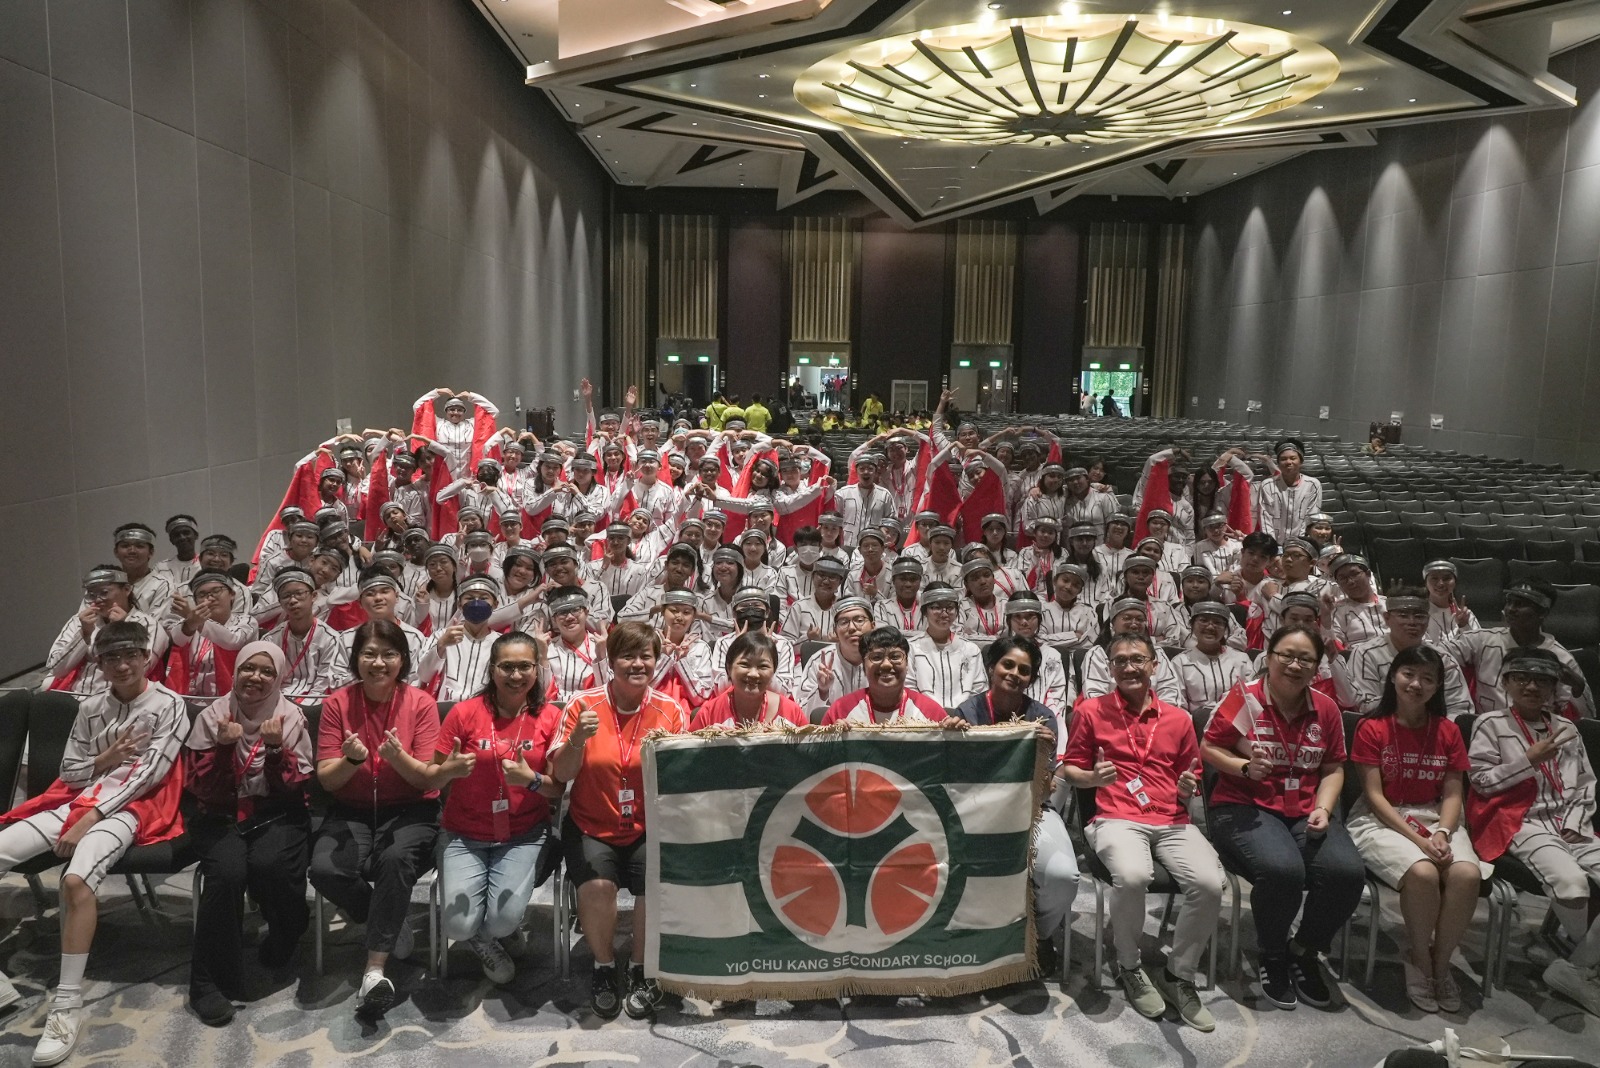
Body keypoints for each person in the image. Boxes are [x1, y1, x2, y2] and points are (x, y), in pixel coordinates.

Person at [0, 622, 187, 1066]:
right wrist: (104, 761)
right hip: (75, 801)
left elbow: (151, 773)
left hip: (129, 809)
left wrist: (94, 816)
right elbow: (68, 772)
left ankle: (66, 1005)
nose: (121, 665)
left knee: (76, 880)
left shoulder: (168, 703)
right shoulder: (91, 706)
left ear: (147, 656)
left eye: (130, 655)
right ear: (98, 663)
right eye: (110, 658)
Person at [1061, 632, 1225, 1032]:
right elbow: (1069, 768)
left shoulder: (1179, 719)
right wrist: (1091, 776)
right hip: (1115, 816)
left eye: (1138, 660)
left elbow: (1192, 772)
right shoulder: (1092, 712)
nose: (1129, 667)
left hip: (1171, 820)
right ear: (1110, 669)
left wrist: (1189, 785)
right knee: (1133, 876)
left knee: (1209, 883)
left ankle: (1178, 974)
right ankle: (1129, 965)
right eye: (1120, 661)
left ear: (1154, 665)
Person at [1202, 625, 1365, 1010]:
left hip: (1305, 808)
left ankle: (1303, 950)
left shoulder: (1325, 709)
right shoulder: (1245, 700)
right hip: (1243, 805)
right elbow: (1209, 747)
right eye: (1286, 655)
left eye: (1305, 659)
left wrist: (1324, 809)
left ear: (1315, 666)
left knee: (1346, 873)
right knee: (1282, 870)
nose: (1295, 665)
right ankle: (1272, 952)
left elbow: (1333, 769)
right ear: (1269, 658)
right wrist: (1243, 767)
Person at [548, 622, 689, 1019]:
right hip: (592, 823)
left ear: (656, 661)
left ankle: (641, 968)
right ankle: (605, 966)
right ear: (611, 661)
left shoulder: (671, 710)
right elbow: (560, 774)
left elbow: (680, 777)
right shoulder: (582, 704)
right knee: (596, 886)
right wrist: (577, 739)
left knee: (651, 887)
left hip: (648, 826)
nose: (637, 663)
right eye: (628, 655)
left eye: (646, 655)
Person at [310, 620, 442, 1018]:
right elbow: (328, 780)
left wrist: (397, 758)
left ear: (402, 660)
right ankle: (389, 913)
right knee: (325, 870)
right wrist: (352, 760)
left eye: (388, 654)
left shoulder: (421, 703)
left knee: (395, 859)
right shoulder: (337, 703)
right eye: (369, 654)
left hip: (411, 807)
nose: (378, 662)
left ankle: (374, 971)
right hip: (350, 808)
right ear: (355, 660)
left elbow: (426, 778)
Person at [1347, 646, 1486, 1014]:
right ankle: (1420, 960)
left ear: (1438, 685)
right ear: (1393, 676)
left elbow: (1455, 792)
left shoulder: (1447, 730)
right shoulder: (1372, 726)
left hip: (1435, 816)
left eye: (1427, 678)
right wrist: (1420, 841)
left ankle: (1441, 965)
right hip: (1382, 818)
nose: (1416, 684)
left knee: (1467, 875)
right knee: (1423, 872)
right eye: (1409, 673)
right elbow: (1375, 797)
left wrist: (1441, 831)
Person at [182, 641, 314, 1025]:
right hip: (220, 815)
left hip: (276, 814)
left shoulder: (291, 718)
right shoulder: (212, 716)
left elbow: (295, 789)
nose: (255, 677)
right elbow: (201, 789)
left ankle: (287, 931)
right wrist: (224, 749)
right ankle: (206, 983)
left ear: (278, 677)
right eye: (248, 669)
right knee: (226, 874)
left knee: (270, 864)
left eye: (266, 671)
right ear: (235, 671)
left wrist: (274, 752)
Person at [1468, 647, 1600, 1015]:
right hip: (1522, 821)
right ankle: (1584, 964)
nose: (1531, 686)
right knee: (1571, 885)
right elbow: (1480, 782)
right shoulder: (1490, 724)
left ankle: (1575, 967)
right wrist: (1527, 760)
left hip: (1573, 824)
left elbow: (1586, 783)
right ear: (1506, 682)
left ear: (1554, 687)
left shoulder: (1567, 728)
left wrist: (1576, 822)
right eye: (1522, 678)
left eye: (1542, 680)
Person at [435, 633, 562, 984]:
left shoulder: (549, 716)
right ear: (492, 670)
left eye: (525, 666)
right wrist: (450, 771)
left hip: (523, 834)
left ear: (537, 670)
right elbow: (434, 776)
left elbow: (558, 788)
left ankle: (495, 929)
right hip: (465, 833)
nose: (516, 675)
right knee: (458, 925)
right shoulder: (464, 712)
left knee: (504, 918)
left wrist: (532, 780)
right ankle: (480, 935)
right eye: (507, 666)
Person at [953, 635, 1079, 975]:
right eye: (1007, 664)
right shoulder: (967, 712)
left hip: (1032, 809)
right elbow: (958, 779)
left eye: (1024, 670)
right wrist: (951, 739)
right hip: (976, 813)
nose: (1014, 673)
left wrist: (1042, 753)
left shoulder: (1043, 718)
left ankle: (1037, 933)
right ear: (992, 667)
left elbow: (1046, 785)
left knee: (1063, 876)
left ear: (1032, 679)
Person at [1441, 580, 1592, 719]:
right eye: (1509, 602)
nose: (1511, 609)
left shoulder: (1561, 657)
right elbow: (1434, 654)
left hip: (1538, 734)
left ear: (1543, 613)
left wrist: (1577, 688)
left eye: (1520, 604)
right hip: (1486, 732)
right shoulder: (1482, 640)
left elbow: (1584, 717)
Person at [1346, 587, 1473, 719]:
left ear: (1428, 620)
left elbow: (1460, 708)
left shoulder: (1443, 659)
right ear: (1387, 618)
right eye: (1403, 616)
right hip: (1384, 731)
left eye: (1419, 616)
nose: (1412, 622)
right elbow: (1364, 706)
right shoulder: (1366, 654)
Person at [46, 566, 163, 695]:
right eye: (91, 595)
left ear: (127, 589)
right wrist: (84, 634)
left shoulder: (147, 624)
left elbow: (138, 671)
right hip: (76, 695)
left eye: (104, 592)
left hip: (120, 701)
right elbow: (56, 669)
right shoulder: (81, 621)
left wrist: (121, 630)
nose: (97, 600)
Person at [821, 627, 953, 724]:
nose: (886, 665)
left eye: (895, 657)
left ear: (907, 664)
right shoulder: (840, 711)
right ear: (863, 665)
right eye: (876, 657)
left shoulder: (931, 712)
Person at [690, 631, 809, 728]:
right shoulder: (709, 713)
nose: (753, 674)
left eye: (763, 666)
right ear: (729, 667)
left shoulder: (792, 712)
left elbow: (809, 754)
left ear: (774, 671)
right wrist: (707, 743)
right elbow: (687, 756)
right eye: (745, 665)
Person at [1169, 601, 1253, 729]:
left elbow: (1251, 698)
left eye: (1217, 623)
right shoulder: (1180, 662)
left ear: (1225, 629)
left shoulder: (1241, 659)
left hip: (1237, 727)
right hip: (1195, 728)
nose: (1210, 627)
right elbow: (1177, 705)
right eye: (1203, 620)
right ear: (1191, 625)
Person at [907, 584, 985, 712]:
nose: (944, 614)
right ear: (924, 611)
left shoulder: (971, 650)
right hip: (923, 720)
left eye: (950, 607)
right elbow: (909, 689)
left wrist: (962, 716)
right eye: (936, 608)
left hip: (964, 721)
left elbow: (979, 689)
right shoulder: (911, 648)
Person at [1253, 439, 1322, 545]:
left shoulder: (1313, 485)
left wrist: (1300, 545)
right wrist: (1274, 548)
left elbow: (1311, 518)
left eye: (1293, 458)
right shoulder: (1267, 485)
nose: (1288, 462)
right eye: (1283, 459)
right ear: (1278, 463)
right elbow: (1265, 519)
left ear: (1301, 461)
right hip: (1274, 545)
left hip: (1301, 545)